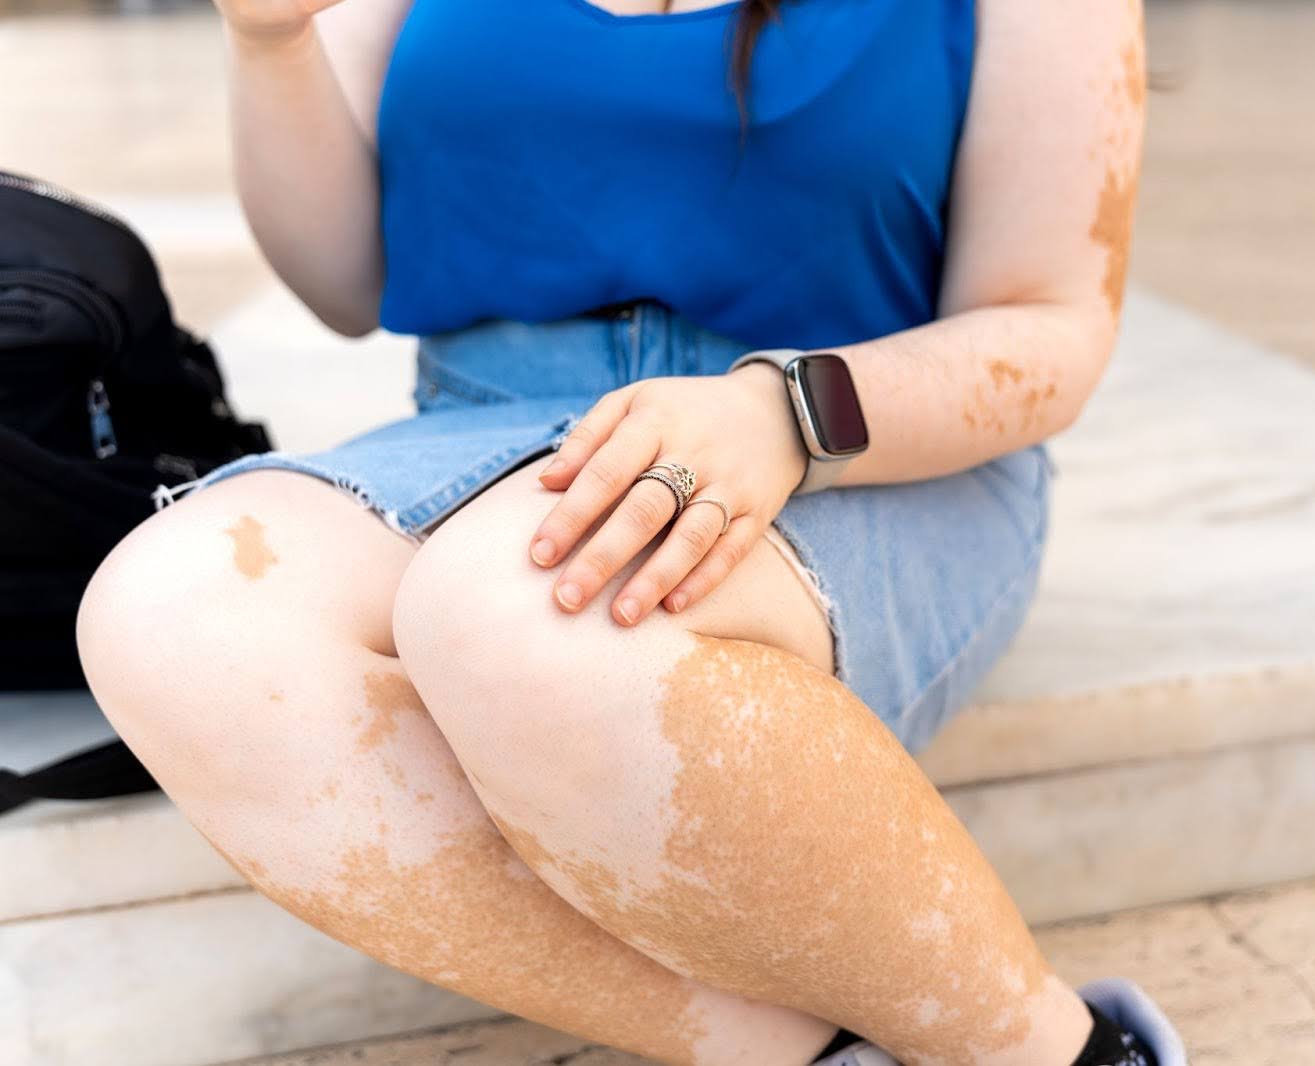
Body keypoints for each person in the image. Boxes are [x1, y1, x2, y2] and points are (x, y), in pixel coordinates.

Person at [76, 0, 1185, 1063]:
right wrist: (269, 40)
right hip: (483, 424)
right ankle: (831, 1057)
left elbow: (1051, 321)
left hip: (864, 433)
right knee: (171, 617)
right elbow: (346, 283)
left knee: (531, 619)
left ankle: (1060, 1054)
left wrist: (784, 413)